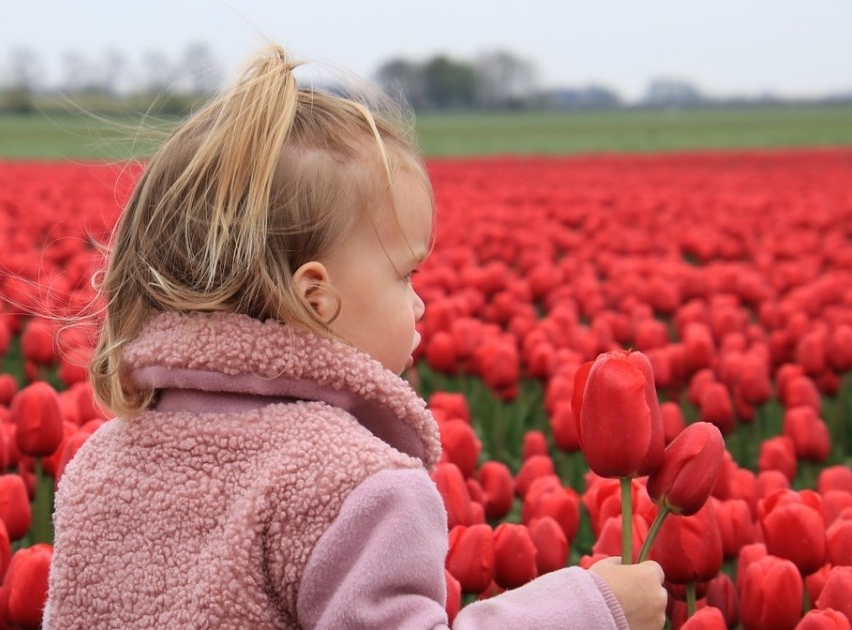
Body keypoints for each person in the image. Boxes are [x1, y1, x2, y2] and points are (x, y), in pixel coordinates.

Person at [43, 44, 666, 629]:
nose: (419, 301)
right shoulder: (352, 486)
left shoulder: (100, 463)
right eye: (405, 273)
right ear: (317, 298)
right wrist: (592, 608)